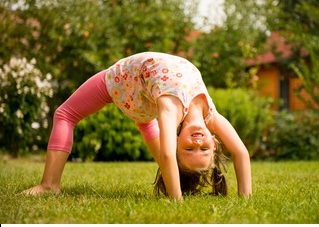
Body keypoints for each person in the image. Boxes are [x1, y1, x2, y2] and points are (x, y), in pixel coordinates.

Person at [23, 52, 252, 200]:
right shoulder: (211, 115)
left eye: (189, 149)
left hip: (121, 84)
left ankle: (49, 185)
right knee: (144, 122)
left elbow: (166, 154)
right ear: (214, 142)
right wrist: (246, 199)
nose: (197, 143)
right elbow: (241, 152)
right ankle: (49, 184)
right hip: (139, 93)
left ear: (176, 143)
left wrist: (176, 202)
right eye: (204, 149)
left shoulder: (172, 108)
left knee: (64, 114)